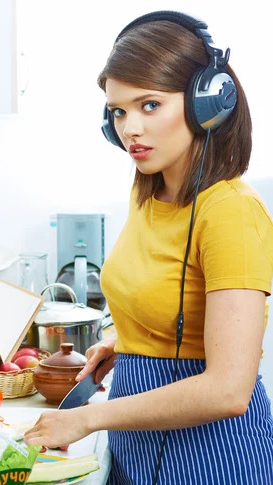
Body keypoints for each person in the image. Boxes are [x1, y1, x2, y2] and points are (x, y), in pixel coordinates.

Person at [24, 11, 273, 485]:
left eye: (149, 105)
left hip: (212, 461)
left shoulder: (232, 213)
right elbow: (169, 299)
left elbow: (228, 391)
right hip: (135, 449)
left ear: (208, 103)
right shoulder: (148, 192)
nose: (129, 128)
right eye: (118, 111)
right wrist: (127, 341)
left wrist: (87, 418)